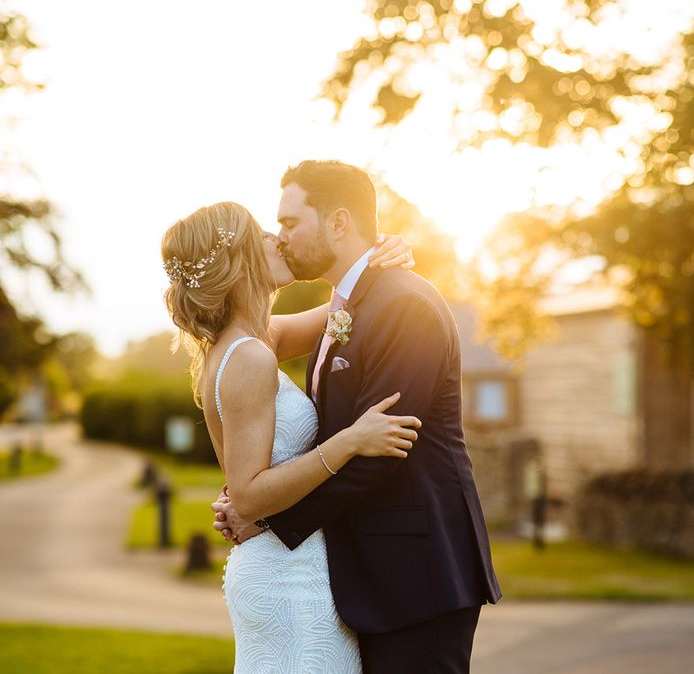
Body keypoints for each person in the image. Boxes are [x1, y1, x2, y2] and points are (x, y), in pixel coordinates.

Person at [214, 160, 502, 674]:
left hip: (420, 574)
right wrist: (258, 496)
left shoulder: (404, 305)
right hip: (368, 576)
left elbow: (384, 452)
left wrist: (268, 516)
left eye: (290, 223)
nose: (281, 239)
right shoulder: (348, 303)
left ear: (339, 223)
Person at [161, 200, 421, 673]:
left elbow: (346, 304)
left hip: (291, 562)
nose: (276, 238)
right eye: (261, 232)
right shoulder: (249, 357)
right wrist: (349, 441)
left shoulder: (260, 339)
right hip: (288, 578)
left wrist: (383, 255)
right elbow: (248, 494)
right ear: (239, 259)